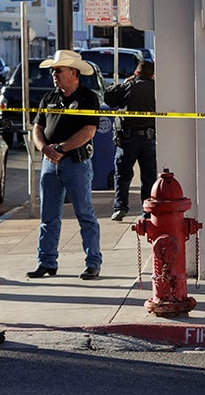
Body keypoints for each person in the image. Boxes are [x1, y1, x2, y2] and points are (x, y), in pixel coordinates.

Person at [28, 50, 103, 280]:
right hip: (50, 163)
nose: (54, 74)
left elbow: (89, 131)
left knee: (84, 213)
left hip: (75, 162)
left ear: (73, 72)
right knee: (48, 216)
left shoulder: (88, 97)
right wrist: (44, 148)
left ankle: (93, 262)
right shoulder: (49, 98)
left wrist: (61, 148)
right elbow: (37, 128)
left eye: (58, 70)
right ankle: (46, 262)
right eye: (53, 70)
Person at [104, 60, 157, 222]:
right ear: (152, 75)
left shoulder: (129, 86)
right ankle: (147, 211)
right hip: (149, 139)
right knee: (148, 177)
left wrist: (124, 83)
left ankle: (120, 208)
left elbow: (109, 98)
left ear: (136, 73)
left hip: (127, 138)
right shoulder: (157, 88)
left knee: (122, 175)